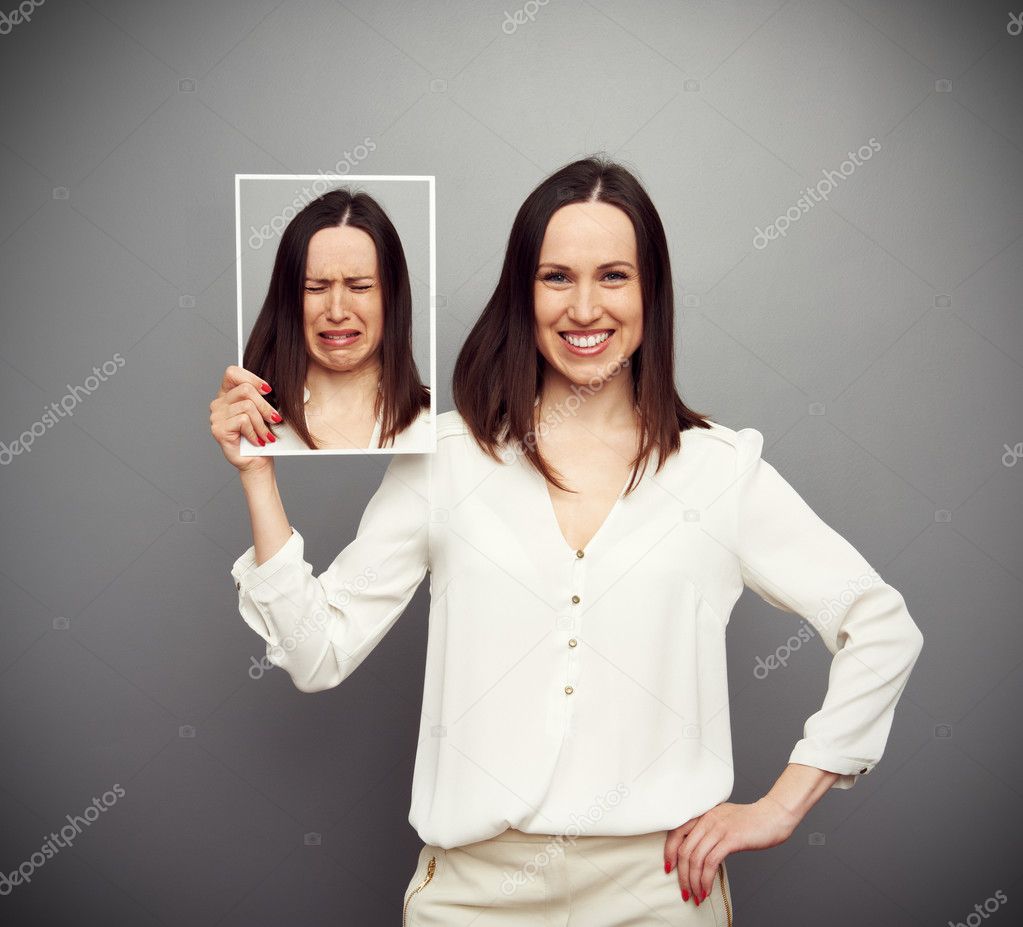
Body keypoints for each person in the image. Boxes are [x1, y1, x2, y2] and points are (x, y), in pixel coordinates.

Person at [210, 157, 923, 925]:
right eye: (556, 277)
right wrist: (258, 476)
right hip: (471, 899)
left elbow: (878, 625)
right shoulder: (444, 461)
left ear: (651, 292)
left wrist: (784, 803)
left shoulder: (720, 470)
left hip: (658, 896)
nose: (584, 308)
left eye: (613, 275)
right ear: (523, 291)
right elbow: (318, 655)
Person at [239, 186, 431, 453]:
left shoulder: (433, 424)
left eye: (360, 287)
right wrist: (252, 469)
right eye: (315, 288)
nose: (337, 312)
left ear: (392, 297)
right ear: (288, 300)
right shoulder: (250, 420)